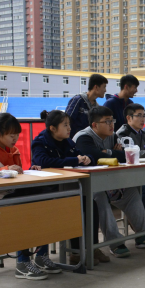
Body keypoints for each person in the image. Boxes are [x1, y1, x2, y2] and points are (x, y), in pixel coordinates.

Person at [0, 113, 57, 281]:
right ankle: (22, 262)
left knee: (43, 203)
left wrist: (27, 171)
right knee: (23, 211)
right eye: (11, 135)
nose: (15, 139)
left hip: (9, 195)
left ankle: (41, 255)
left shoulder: (13, 150)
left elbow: (16, 177)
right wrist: (6, 169)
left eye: (17, 135)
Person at [74, 107, 145, 256]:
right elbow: (95, 156)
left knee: (131, 193)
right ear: (95, 125)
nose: (112, 125)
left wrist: (110, 153)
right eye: (107, 121)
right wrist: (113, 154)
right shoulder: (83, 137)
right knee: (99, 197)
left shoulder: (112, 136)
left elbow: (126, 155)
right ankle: (115, 241)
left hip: (109, 183)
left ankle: (143, 235)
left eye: (112, 120)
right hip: (85, 188)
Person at [32, 110, 108, 266]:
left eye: (69, 125)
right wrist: (75, 160)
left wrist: (87, 159)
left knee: (90, 205)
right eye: (65, 125)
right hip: (47, 190)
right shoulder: (40, 142)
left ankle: (91, 247)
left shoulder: (68, 142)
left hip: (68, 188)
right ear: (53, 128)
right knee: (73, 207)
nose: (69, 129)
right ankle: (76, 252)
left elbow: (81, 155)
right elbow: (43, 161)